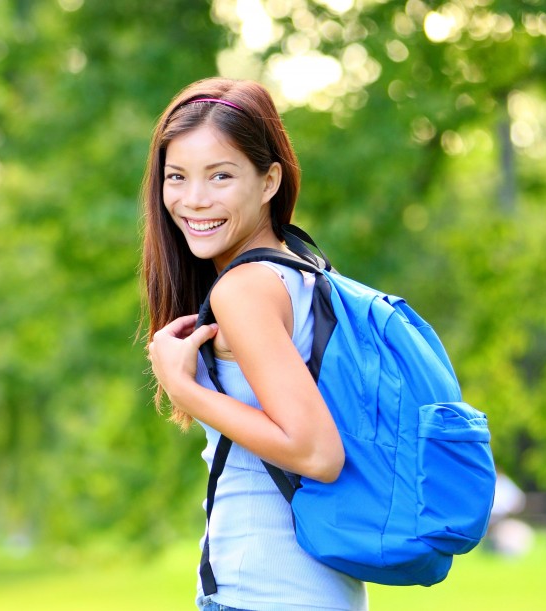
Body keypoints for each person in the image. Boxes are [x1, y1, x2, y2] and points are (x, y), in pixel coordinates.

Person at [142, 78, 368, 610]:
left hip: (261, 592)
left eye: (220, 176)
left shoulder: (243, 290)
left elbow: (317, 452)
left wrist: (183, 385)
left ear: (269, 181)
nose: (193, 200)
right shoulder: (302, 271)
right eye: (177, 177)